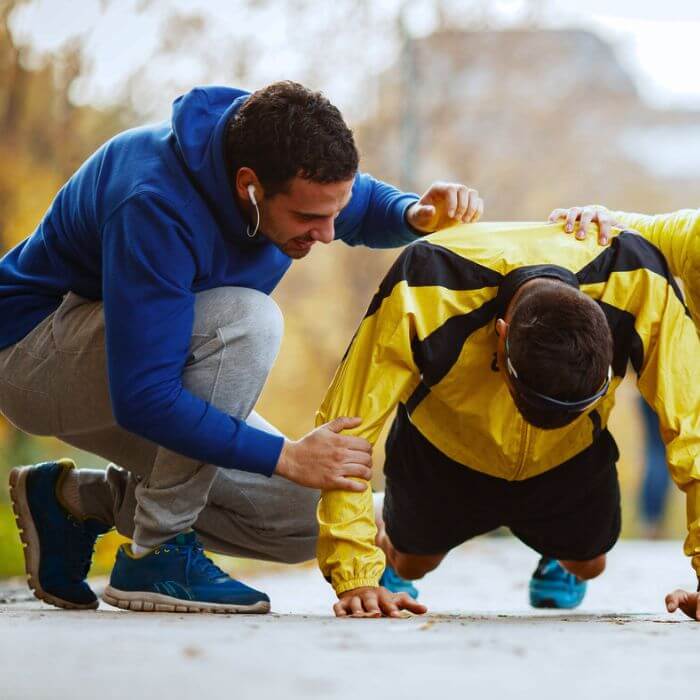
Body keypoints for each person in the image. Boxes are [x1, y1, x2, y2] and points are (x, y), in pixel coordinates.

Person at [2, 81, 483, 614]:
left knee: (309, 517)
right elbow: (144, 397)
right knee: (247, 321)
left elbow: (362, 203)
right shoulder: (154, 201)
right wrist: (287, 456)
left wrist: (414, 213)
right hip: (32, 355)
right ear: (249, 187)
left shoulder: (286, 167)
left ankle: (71, 503)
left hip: (131, 362)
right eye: (307, 220)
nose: (326, 234)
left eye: (333, 213)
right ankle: (157, 553)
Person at [313, 218, 700, 619]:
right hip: (446, 451)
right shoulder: (425, 280)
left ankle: (556, 551)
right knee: (413, 563)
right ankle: (384, 519)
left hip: (566, 456)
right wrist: (357, 574)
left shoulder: (639, 282)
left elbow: (693, 431)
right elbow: (348, 425)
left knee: (591, 563)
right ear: (501, 334)